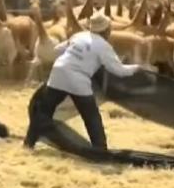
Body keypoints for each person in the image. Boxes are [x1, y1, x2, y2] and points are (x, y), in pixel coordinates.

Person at [24, 13, 141, 149]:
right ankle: (100, 150)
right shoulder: (104, 46)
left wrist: (75, 54)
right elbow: (119, 70)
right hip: (77, 81)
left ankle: (29, 143)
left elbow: (57, 49)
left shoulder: (79, 36)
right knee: (91, 117)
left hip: (58, 74)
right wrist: (137, 68)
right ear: (107, 30)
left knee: (44, 111)